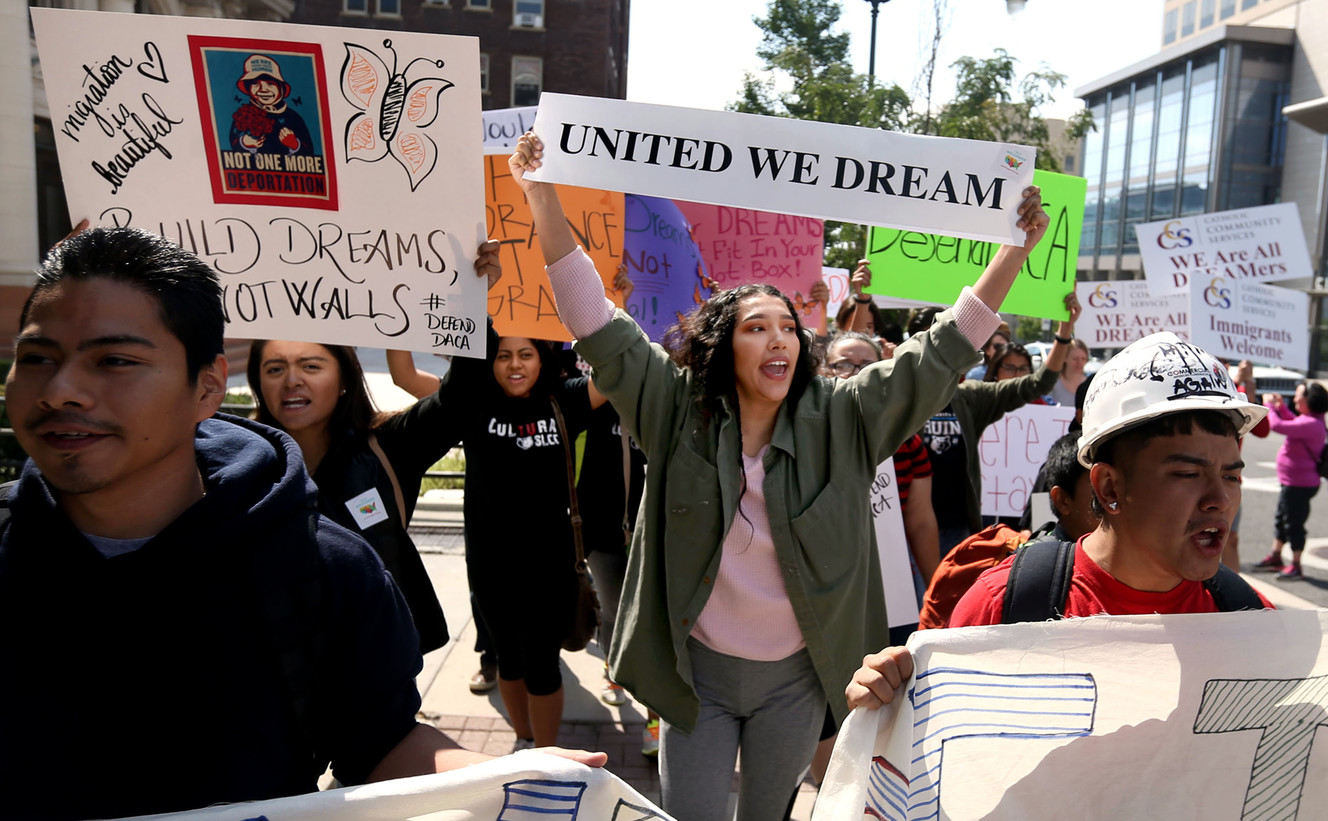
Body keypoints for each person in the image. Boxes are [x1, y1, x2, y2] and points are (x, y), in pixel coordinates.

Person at [510, 131, 1050, 821]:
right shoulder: (675, 407)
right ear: (720, 347)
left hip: (797, 682)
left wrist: (1015, 249)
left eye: (788, 328)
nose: (777, 340)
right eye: (755, 327)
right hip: (694, 676)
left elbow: (943, 350)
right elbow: (593, 317)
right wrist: (540, 193)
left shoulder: (845, 415)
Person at [0, 226, 603, 821]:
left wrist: (514, 781)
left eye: (114, 360)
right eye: (36, 358)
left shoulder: (327, 565)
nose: (62, 390)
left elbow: (380, 743)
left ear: (207, 386)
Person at [848, 333, 1273, 712]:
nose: (1220, 500)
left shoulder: (1249, 618)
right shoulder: (1007, 604)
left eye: (1232, 476)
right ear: (1108, 488)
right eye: (1188, 474)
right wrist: (887, 704)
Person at [921, 293, 1081, 555]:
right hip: (906, 524)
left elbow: (1038, 383)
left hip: (957, 526)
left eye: (1022, 368)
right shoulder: (903, 396)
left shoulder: (971, 398)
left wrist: (1064, 332)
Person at [1252, 380, 1328, 580]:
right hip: (1294, 482)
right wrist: (1282, 408)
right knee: (1283, 519)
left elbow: (1278, 425)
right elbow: (1292, 422)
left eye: (1298, 395)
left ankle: (1296, 565)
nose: (1294, 397)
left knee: (1293, 524)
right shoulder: (1311, 420)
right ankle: (1276, 556)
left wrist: (1267, 405)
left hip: (1299, 484)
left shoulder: (1310, 423)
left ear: (1307, 400)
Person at [230, 54, 315, 156]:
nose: (263, 89)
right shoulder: (244, 115)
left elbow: (310, 152)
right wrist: (244, 143)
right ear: (248, 88)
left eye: (270, 83)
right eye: (255, 84)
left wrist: (295, 145)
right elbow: (233, 143)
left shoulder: (293, 117)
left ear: (281, 88)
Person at [1050, 337, 1090, 406]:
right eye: (1075, 359)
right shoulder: (1053, 384)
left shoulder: (1090, 385)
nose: (1079, 363)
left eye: (1083, 359)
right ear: (1065, 358)